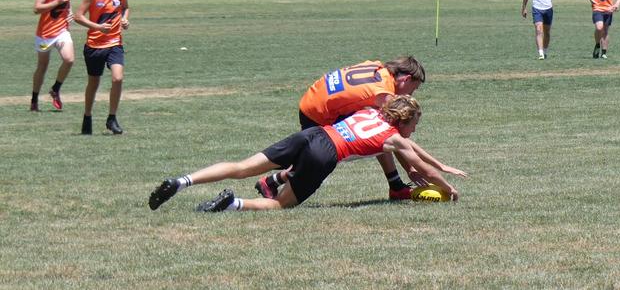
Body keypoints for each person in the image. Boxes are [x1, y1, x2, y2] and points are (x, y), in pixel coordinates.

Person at [148, 95, 466, 212]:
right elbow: (421, 168)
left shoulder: (372, 112)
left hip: (313, 134)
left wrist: (440, 164)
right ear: (403, 120)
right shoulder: (395, 139)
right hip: (325, 153)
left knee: (242, 166)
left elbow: (422, 158)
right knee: (279, 205)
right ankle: (233, 204)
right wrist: (447, 189)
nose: (415, 129)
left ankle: (182, 181)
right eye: (415, 123)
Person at [255, 57, 427, 201]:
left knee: (374, 131)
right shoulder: (385, 95)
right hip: (319, 111)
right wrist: (411, 169)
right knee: (320, 158)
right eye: (414, 87)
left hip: (314, 96)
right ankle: (270, 182)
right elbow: (394, 138)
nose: (411, 94)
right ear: (406, 79)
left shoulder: (378, 67)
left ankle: (395, 185)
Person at [74, 0, 130, 134]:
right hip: (94, 45)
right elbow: (78, 16)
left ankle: (112, 118)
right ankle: (87, 116)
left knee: (118, 78)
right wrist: (97, 27)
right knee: (93, 83)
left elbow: (125, 7)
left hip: (115, 43)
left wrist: (125, 19)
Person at [31, 0, 75, 111]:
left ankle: (55, 89)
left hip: (62, 30)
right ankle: (34, 99)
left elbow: (67, 3)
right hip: (44, 35)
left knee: (69, 59)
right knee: (42, 67)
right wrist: (56, 2)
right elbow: (37, 9)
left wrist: (69, 12)